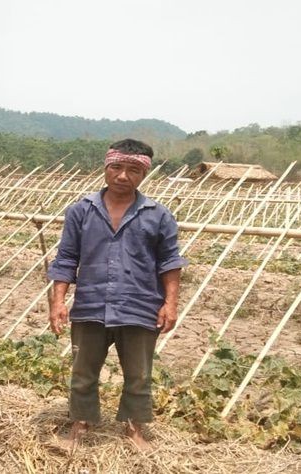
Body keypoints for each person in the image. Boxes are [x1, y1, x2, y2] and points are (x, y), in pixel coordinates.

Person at [47, 138, 187, 452]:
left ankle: (134, 429)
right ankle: (80, 424)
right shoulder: (81, 211)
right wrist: (58, 301)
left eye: (133, 170)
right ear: (106, 168)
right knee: (83, 371)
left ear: (144, 174)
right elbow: (67, 258)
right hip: (91, 305)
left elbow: (170, 262)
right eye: (117, 167)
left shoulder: (158, 215)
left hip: (139, 305)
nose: (123, 176)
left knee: (138, 374)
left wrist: (171, 303)